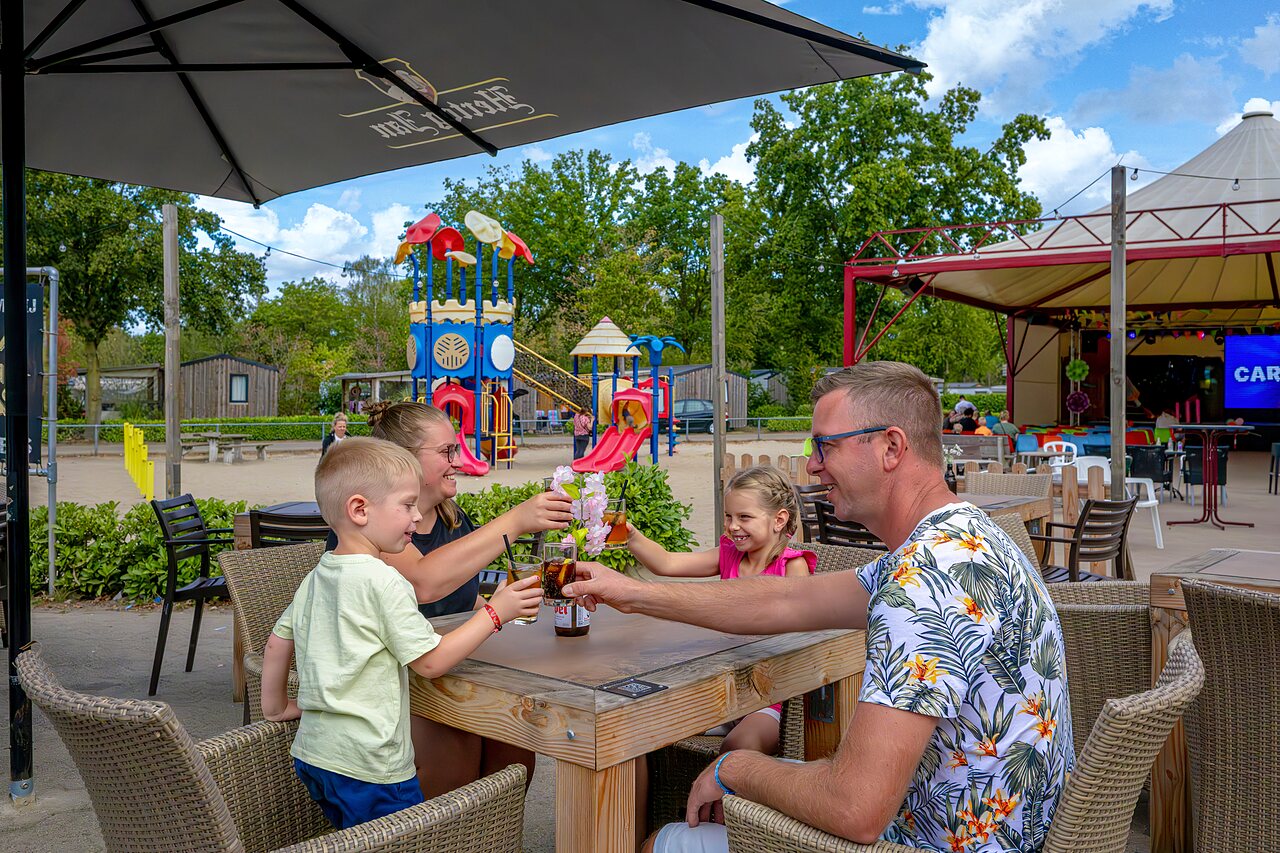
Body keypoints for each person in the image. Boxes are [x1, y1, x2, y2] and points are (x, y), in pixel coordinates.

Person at [566, 361, 1073, 853]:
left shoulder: (924, 582)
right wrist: (636, 594)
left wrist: (734, 769)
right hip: (995, 829)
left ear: (891, 447)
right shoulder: (962, 538)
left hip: (929, 841)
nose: (811, 464)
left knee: (663, 840)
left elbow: (856, 808)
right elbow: (786, 598)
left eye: (825, 445)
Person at [260, 437, 541, 829]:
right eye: (407, 505)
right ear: (359, 509)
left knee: (357, 838)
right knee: (404, 839)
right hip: (372, 766)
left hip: (314, 756)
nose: (415, 517)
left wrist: (276, 708)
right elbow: (430, 662)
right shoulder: (383, 580)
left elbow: (277, 642)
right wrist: (496, 613)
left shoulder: (317, 576)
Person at [336, 400, 573, 798]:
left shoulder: (451, 517)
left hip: (452, 670)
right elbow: (424, 584)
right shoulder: (368, 529)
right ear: (405, 461)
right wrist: (516, 519)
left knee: (514, 745)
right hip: (393, 682)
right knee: (457, 755)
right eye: (447, 452)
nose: (459, 461)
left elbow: (455, 601)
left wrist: (501, 603)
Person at [625, 465, 814, 756]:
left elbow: (800, 638)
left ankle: (731, 799)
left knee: (739, 745)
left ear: (779, 520)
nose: (732, 526)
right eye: (729, 516)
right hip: (720, 690)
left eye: (744, 517)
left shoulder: (792, 567)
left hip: (769, 697)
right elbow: (667, 564)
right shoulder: (728, 554)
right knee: (638, 731)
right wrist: (630, 536)